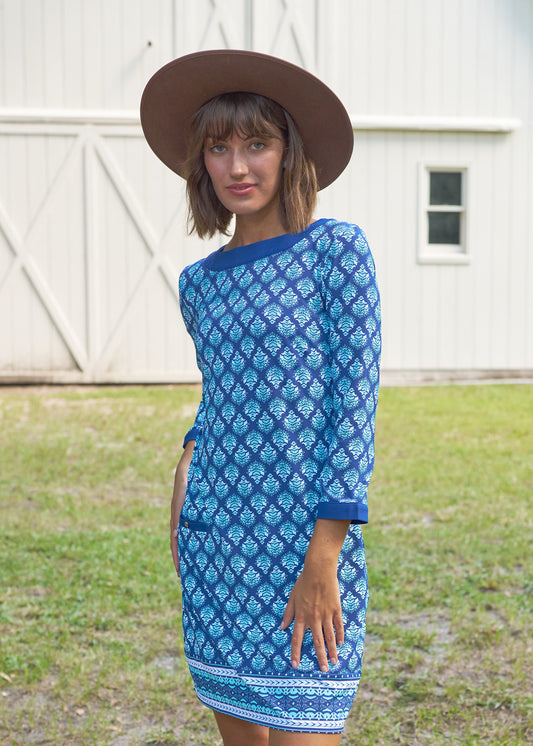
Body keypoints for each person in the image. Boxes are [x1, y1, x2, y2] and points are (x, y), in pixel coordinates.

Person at [140, 50, 381, 746]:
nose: (237, 167)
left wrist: (324, 557)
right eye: (218, 147)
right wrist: (185, 471)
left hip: (305, 541)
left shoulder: (335, 252)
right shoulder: (199, 283)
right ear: (200, 163)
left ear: (288, 152)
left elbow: (352, 407)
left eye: (256, 143)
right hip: (215, 535)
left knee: (308, 726)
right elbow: (222, 396)